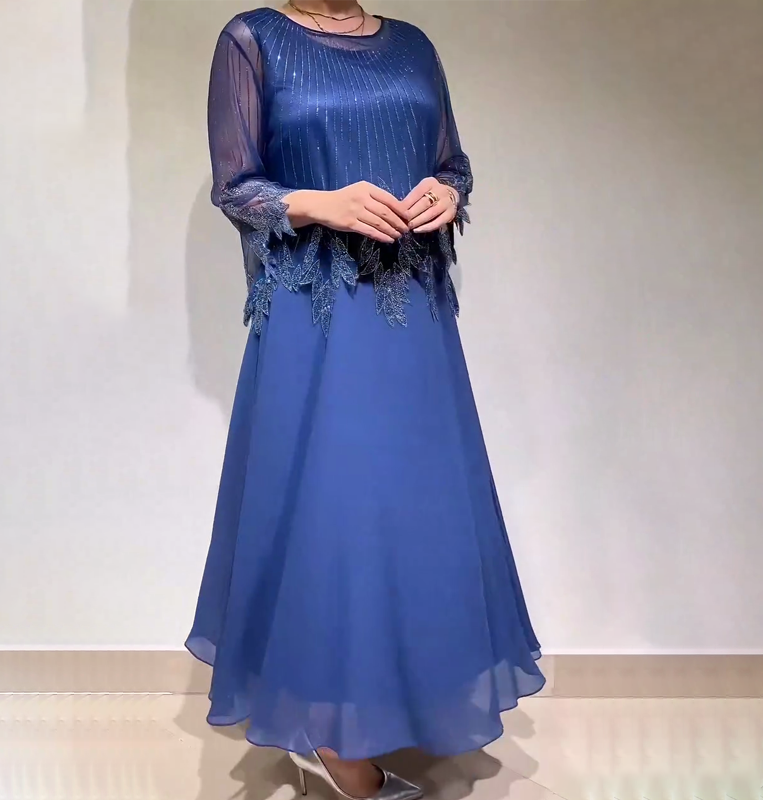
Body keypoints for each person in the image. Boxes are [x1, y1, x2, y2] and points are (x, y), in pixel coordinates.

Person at [186, 2, 546, 798]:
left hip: (411, 311)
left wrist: (446, 192)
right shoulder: (253, 40)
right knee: (330, 510)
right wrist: (322, 201)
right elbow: (236, 186)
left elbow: (453, 163)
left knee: (411, 511)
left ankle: (389, 702)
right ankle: (327, 734)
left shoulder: (411, 44)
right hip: (315, 312)